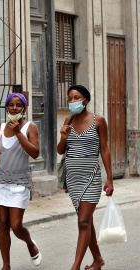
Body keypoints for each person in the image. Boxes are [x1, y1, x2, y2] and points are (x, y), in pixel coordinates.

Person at [57, 85, 114, 270]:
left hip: (91, 177)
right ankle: (97, 260)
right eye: (70, 98)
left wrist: (110, 179)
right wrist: (63, 137)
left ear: (85, 101)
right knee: (86, 221)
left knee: (82, 221)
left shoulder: (99, 120)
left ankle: (75, 266)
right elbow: (60, 150)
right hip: (73, 179)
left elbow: (104, 149)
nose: (72, 101)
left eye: (76, 98)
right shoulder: (68, 120)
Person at [0, 92, 42, 270]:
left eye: (18, 105)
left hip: (19, 182)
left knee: (16, 226)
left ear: (24, 109)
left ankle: (30, 243)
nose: (14, 108)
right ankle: (6, 265)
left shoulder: (30, 127)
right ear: (6, 107)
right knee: (3, 224)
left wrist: (18, 133)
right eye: (11, 105)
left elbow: (35, 152)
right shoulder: (1, 128)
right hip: (1, 181)